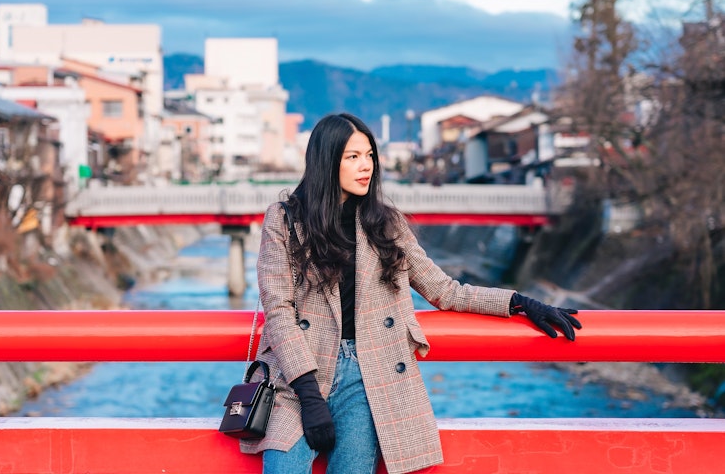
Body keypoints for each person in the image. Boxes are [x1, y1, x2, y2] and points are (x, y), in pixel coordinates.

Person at [240, 112, 581, 474]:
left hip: (368, 375)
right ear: (326, 160)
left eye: (370, 155)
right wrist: (309, 396)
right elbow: (279, 309)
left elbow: (444, 289)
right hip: (299, 379)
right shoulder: (286, 219)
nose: (365, 166)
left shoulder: (384, 223)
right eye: (352, 157)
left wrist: (517, 303)